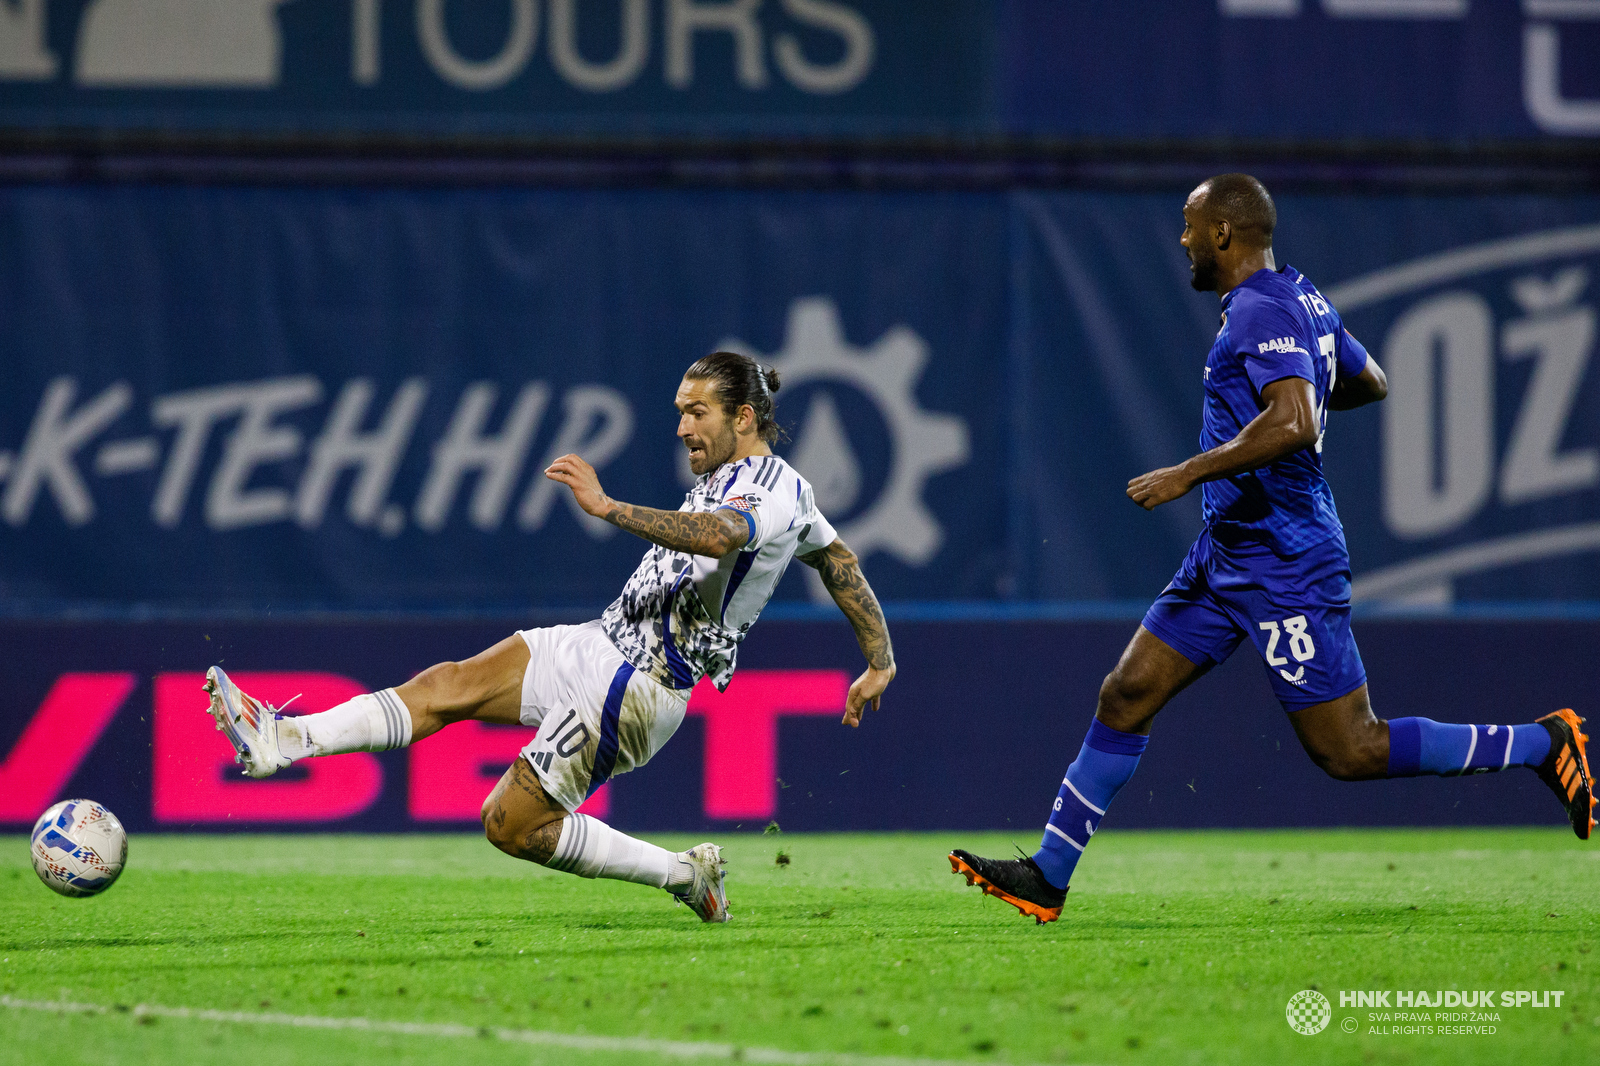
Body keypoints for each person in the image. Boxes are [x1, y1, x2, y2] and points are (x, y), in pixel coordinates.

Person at [950, 174, 1594, 924]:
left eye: (1190, 225)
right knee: (1126, 692)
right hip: (1229, 550)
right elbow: (1371, 381)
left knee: (1348, 749)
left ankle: (1543, 743)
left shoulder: (1259, 309)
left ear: (1224, 233)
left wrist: (1186, 472)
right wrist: (1303, 401)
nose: (1183, 239)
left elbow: (1293, 422)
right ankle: (1049, 874)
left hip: (1286, 557)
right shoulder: (1300, 296)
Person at [201, 351, 896, 923]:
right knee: (446, 687)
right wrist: (878, 660)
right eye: (679, 409)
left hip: (640, 685)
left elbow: (720, 536)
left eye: (697, 411)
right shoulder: (758, 483)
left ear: (743, 417)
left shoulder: (769, 487)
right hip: (602, 642)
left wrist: (606, 506)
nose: (682, 424)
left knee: (507, 824)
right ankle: (284, 740)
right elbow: (838, 562)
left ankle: (684, 875)